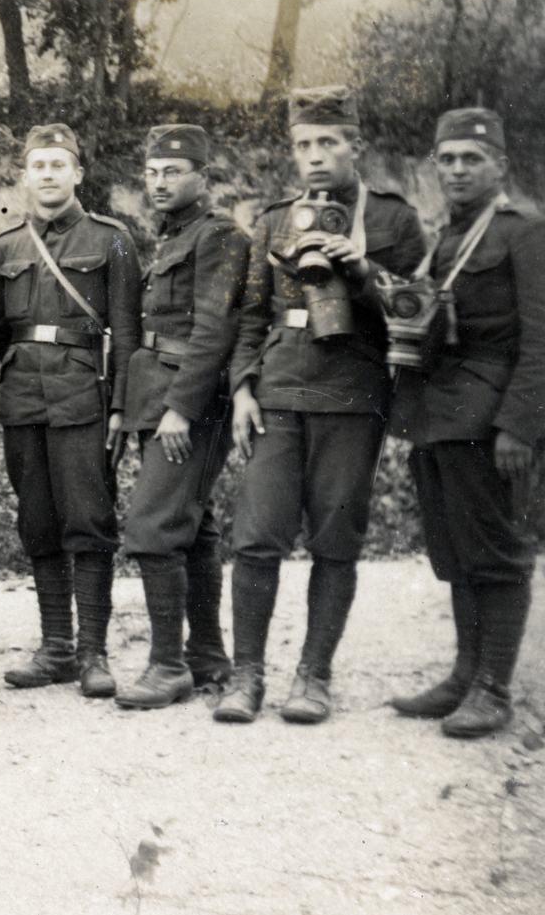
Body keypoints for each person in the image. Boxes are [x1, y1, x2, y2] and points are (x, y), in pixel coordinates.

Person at [216, 87, 426, 726]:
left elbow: (422, 313)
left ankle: (314, 675)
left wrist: (363, 273)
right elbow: (249, 316)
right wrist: (242, 389)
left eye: (327, 143)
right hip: (279, 392)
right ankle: (246, 674)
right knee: (255, 538)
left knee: (337, 542)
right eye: (303, 144)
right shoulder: (276, 219)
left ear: (354, 146)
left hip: (352, 399)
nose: (313, 156)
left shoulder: (392, 220)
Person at [388, 109, 543, 738]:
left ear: (499, 166)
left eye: (470, 159)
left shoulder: (523, 233)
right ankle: (463, 675)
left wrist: (521, 427)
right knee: (456, 551)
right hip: (440, 415)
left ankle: (494, 688)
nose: (456, 169)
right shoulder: (447, 236)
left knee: (498, 552)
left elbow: (542, 340)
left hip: (492, 416)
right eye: (446, 159)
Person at [0, 124, 142, 699]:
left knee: (89, 520)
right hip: (23, 400)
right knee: (37, 520)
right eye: (38, 165)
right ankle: (54, 647)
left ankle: (92, 653)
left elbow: (128, 333)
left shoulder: (113, 239)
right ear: (26, 175)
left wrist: (121, 407)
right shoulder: (7, 245)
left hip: (85, 398)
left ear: (78, 173)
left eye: (59, 164)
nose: (48, 175)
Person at [114, 127, 246, 708]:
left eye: (173, 171)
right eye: (151, 172)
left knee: (151, 527)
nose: (160, 182)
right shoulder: (172, 237)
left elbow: (215, 331)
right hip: (157, 393)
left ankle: (167, 666)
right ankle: (208, 657)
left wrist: (180, 411)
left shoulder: (219, 237)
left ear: (202, 176)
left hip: (189, 403)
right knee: (192, 526)